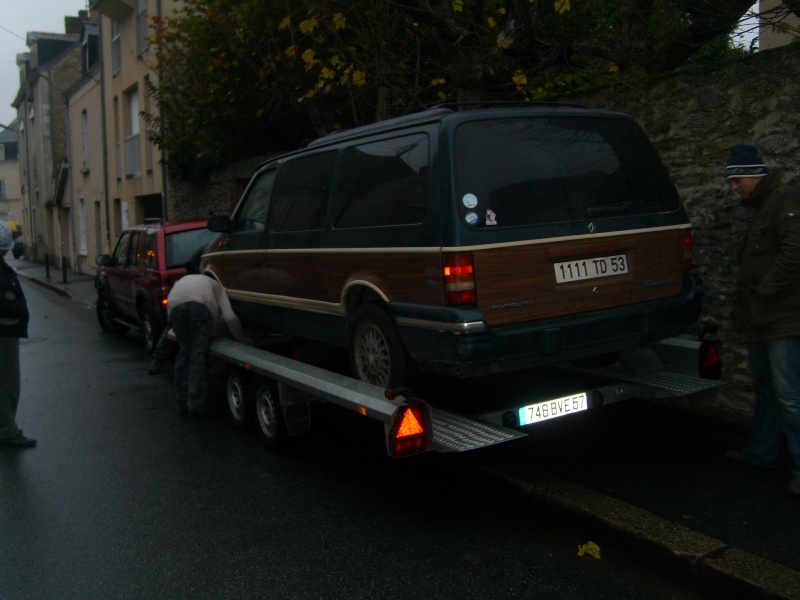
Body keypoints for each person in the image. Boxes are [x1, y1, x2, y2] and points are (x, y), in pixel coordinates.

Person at [723, 144, 800, 497]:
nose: (734, 188)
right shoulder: (760, 208)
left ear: (755, 174)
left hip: (783, 320)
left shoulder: (784, 200)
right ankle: (762, 453)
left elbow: (794, 252)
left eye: (737, 180)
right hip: (761, 321)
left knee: (789, 396)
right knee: (767, 391)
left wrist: (764, 291)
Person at [167, 265, 249, 419]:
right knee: (197, 356)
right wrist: (242, 340)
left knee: (184, 353)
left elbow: (170, 310)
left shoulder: (183, 280)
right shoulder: (217, 286)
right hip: (200, 308)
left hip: (175, 307)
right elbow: (230, 317)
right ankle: (195, 406)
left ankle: (181, 403)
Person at [0, 221, 35, 448]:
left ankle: (5, 427)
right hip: (3, 333)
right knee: (7, 382)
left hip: (6, 329)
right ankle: (5, 431)